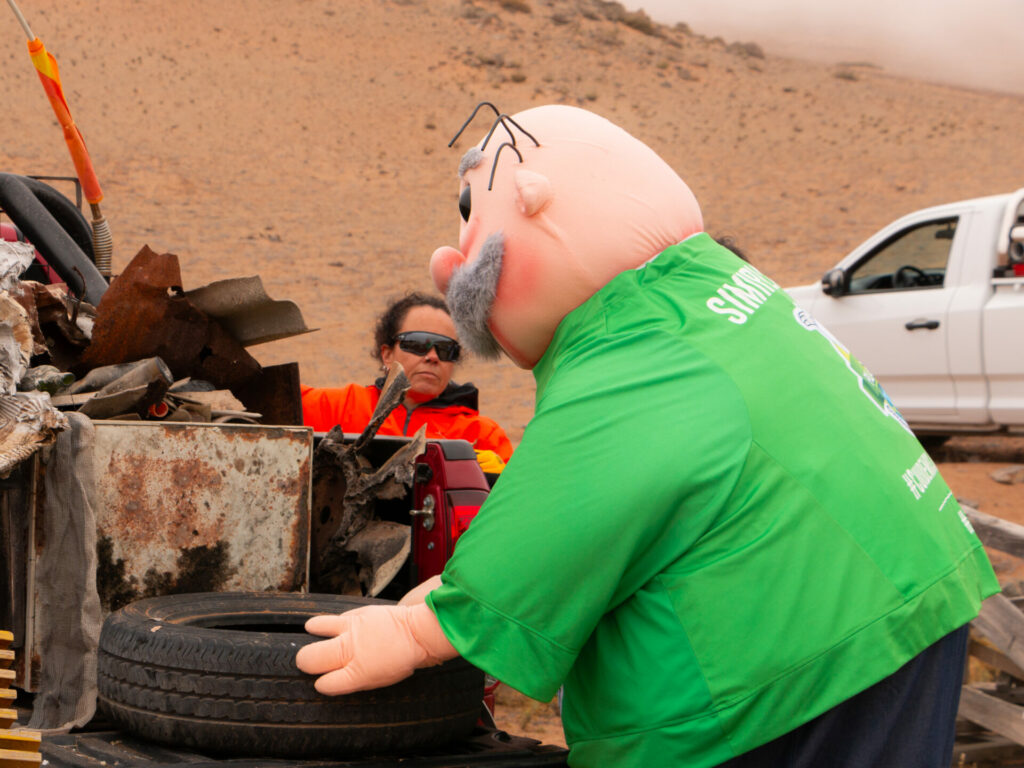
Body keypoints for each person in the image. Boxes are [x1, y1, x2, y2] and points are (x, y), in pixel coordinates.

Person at [296, 105, 998, 767]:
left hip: (801, 664)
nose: (454, 263)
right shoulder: (712, 295)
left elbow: (576, 498)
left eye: (470, 216)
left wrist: (424, 629)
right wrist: (461, 585)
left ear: (539, 203)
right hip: (903, 594)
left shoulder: (629, 346)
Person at [300, 292, 512, 474]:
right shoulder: (340, 407)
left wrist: (502, 479)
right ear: (387, 354)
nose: (432, 356)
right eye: (417, 343)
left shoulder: (481, 435)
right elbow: (274, 397)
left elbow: (525, 499)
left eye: (447, 349)